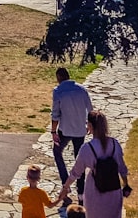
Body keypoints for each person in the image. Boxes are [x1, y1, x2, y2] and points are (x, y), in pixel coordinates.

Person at [58, 111, 131, 218]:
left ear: (90, 126)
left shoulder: (87, 149)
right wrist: (125, 184)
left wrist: (65, 188)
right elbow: (122, 168)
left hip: (95, 193)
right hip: (114, 191)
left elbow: (75, 173)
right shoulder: (115, 144)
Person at [51, 67, 92, 200]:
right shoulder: (81, 89)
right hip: (80, 130)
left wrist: (53, 131)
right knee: (79, 160)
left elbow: (55, 114)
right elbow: (90, 109)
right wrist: (89, 124)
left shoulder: (58, 91)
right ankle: (81, 192)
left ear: (58, 78)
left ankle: (65, 183)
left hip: (65, 129)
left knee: (57, 152)